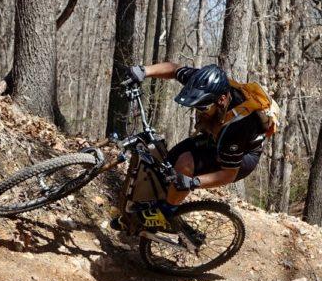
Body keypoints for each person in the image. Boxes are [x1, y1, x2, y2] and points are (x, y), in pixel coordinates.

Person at [111, 62, 278, 235]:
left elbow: (229, 174)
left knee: (185, 165)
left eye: (203, 107)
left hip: (242, 156)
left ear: (221, 100)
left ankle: (164, 215)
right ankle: (154, 207)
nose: (199, 111)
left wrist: (193, 182)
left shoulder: (239, 126)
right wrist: (144, 71)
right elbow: (175, 69)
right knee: (169, 162)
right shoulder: (206, 84)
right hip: (217, 136)